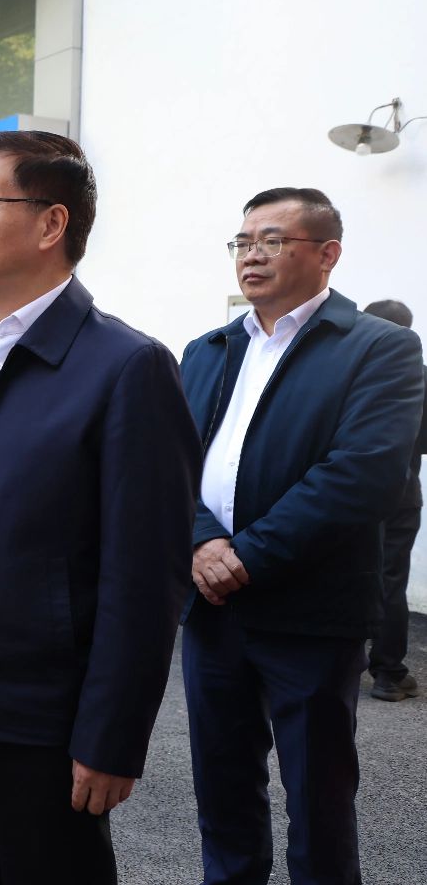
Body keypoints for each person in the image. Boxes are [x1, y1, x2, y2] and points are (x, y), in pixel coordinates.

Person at [0, 130, 201, 885]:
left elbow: (145, 577)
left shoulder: (129, 368)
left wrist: (113, 735)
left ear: (52, 223)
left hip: (41, 719)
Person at [179, 188, 425, 885]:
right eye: (243, 241)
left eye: (272, 240)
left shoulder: (379, 348)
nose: (251, 255)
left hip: (311, 611)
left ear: (327, 254)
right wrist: (201, 541)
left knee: (318, 796)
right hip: (213, 609)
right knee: (222, 785)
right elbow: (168, 462)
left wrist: (244, 556)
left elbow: (364, 474)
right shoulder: (208, 350)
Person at [361, 299, 427, 702]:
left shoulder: (348, 371)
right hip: (401, 492)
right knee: (390, 579)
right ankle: (388, 673)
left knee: (345, 571)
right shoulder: (420, 375)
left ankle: (344, 659)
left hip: (348, 489)